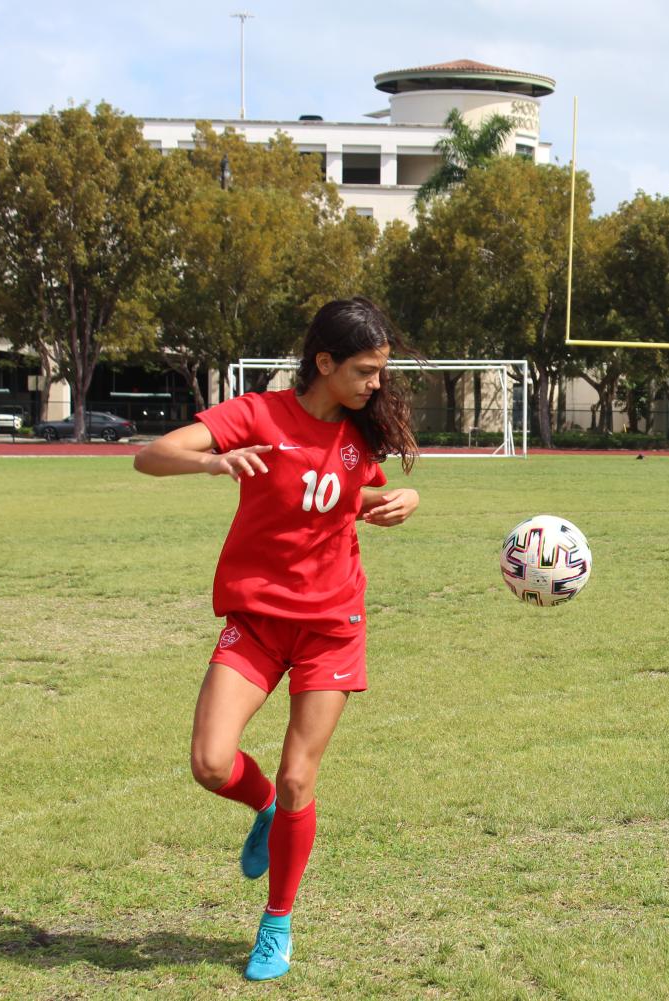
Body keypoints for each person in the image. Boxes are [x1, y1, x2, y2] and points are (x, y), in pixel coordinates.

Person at [133, 297, 420, 982]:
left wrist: (403, 502)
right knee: (209, 761)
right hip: (258, 619)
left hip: (330, 625)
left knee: (300, 778)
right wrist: (213, 464)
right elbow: (151, 455)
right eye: (364, 370)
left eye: (379, 371)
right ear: (324, 362)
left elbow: (359, 498)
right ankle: (259, 804)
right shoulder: (256, 415)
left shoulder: (359, 436)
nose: (375, 383)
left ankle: (276, 922)